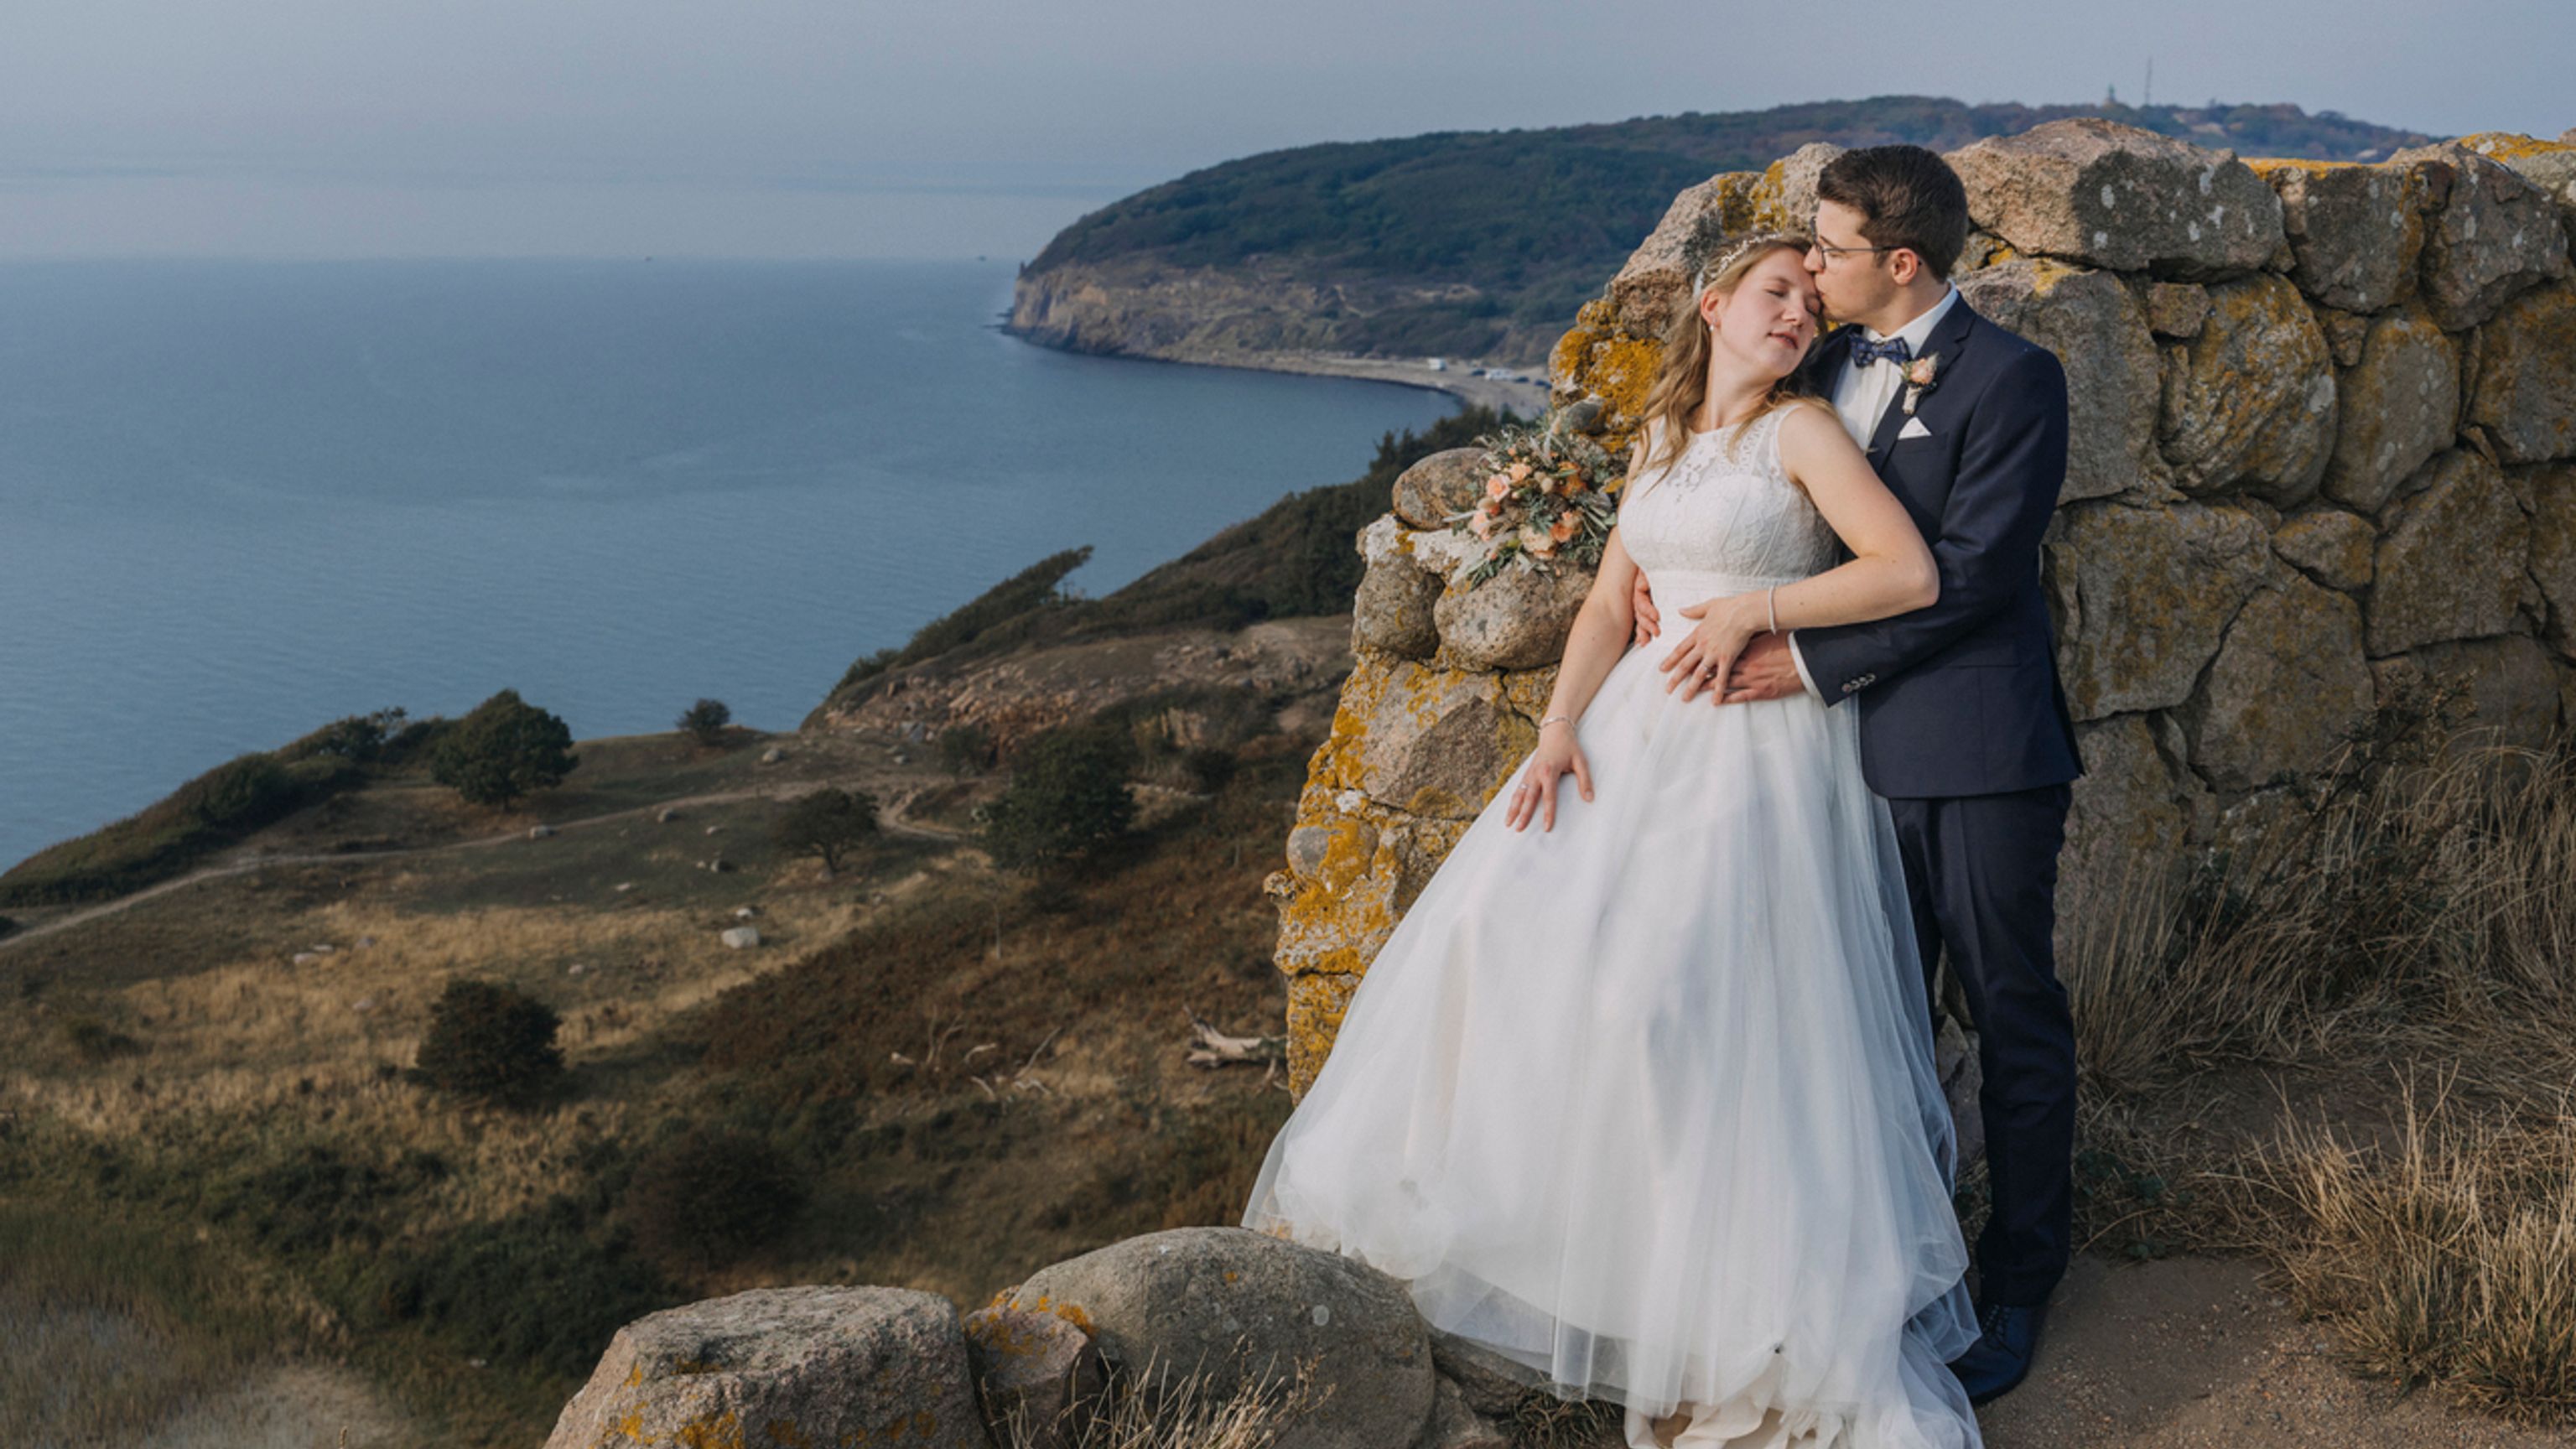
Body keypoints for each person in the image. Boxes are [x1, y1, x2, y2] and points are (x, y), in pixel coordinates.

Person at [1241, 232, 1986, 1449]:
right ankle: (1576, 1260)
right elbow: (1601, 604)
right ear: (1713, 304)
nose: (1797, 314)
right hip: (1633, 735)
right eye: (1774, 294)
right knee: (1499, 935)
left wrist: (1760, 609)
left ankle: (1726, 1307)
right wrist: (1556, 730)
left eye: (1811, 300)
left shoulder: (1802, 435)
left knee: (1676, 1006)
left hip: (1753, 755)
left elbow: (1903, 572)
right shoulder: (1661, 439)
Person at [1633, 145, 2084, 1406]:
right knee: (1860, 1023)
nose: (1809, 269)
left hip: (1974, 750)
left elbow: (1980, 573)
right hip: (1825, 772)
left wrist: (1809, 660)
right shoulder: (1820, 364)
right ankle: (1884, 1268)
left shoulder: (2015, 379)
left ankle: (2020, 1279)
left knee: (2008, 1012)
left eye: (1825, 251)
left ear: (1899, 261)